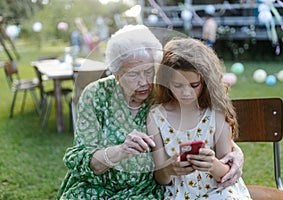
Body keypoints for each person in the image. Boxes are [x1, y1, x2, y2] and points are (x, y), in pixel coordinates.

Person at [57, 25, 244, 199]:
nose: (144, 82)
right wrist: (119, 151)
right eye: (133, 74)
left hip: (144, 192)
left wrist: (236, 153)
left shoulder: (165, 92)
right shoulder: (96, 95)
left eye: (148, 71)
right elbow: (80, 157)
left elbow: (204, 127)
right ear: (116, 74)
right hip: (95, 189)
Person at [147, 38, 251, 199]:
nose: (186, 93)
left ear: (205, 81)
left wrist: (213, 165)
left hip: (219, 192)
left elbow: (227, 174)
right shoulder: (156, 117)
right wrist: (169, 169)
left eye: (194, 85)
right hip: (179, 194)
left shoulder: (216, 113)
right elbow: (161, 178)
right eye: (178, 85)